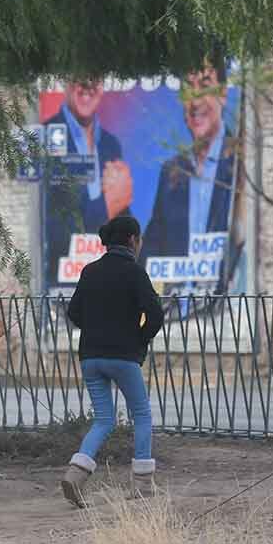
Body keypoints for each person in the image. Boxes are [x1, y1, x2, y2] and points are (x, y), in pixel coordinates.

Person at [61, 215, 165, 507]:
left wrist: (97, 331)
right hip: (123, 357)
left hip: (91, 357)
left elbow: (74, 312)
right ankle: (143, 484)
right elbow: (156, 314)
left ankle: (75, 475)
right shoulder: (134, 272)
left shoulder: (90, 271)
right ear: (133, 240)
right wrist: (138, 339)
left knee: (104, 419)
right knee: (142, 415)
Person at [141, 63, 236, 263]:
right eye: (188, 88)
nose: (195, 100)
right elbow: (151, 253)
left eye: (205, 85)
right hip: (176, 295)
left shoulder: (242, 164)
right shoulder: (171, 172)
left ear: (223, 93)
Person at [43, 79, 134, 287]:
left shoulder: (110, 144)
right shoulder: (46, 136)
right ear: (66, 81)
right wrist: (107, 206)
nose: (87, 86)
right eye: (79, 76)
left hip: (106, 277)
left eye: (95, 78)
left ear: (102, 85)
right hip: (63, 283)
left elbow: (121, 213)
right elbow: (52, 225)